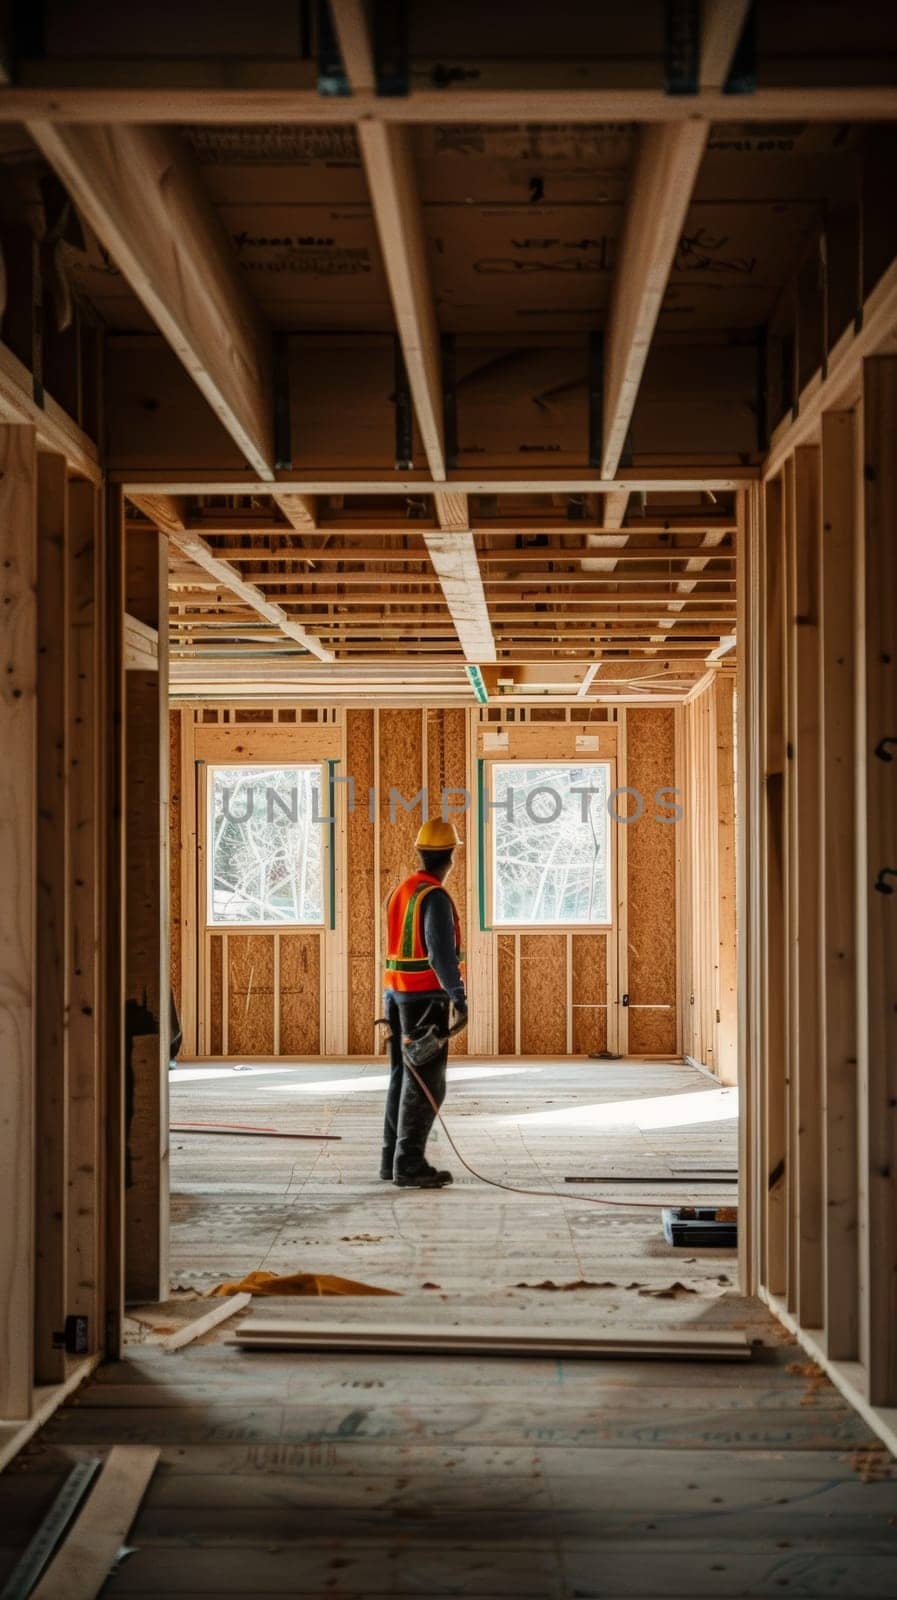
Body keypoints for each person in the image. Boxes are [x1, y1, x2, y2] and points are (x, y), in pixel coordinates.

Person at [380, 819, 468, 1187]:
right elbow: (440, 955)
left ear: (420, 852)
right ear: (450, 858)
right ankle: (410, 1164)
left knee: (403, 1076)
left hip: (396, 994)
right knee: (428, 1083)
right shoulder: (433, 897)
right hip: (425, 1000)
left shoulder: (403, 890)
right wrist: (458, 997)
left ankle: (392, 1160)